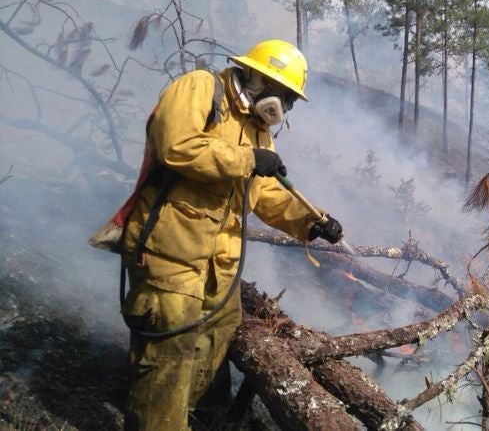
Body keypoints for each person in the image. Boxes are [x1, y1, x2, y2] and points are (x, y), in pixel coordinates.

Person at [120, 39, 342, 430]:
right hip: (172, 256)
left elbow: (265, 194)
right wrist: (246, 159)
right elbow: (177, 146)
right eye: (284, 95)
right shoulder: (201, 89)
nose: (285, 107)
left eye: (290, 99)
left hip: (218, 267)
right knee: (167, 361)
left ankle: (195, 420)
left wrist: (312, 221)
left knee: (213, 343)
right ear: (258, 78)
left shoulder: (257, 130)